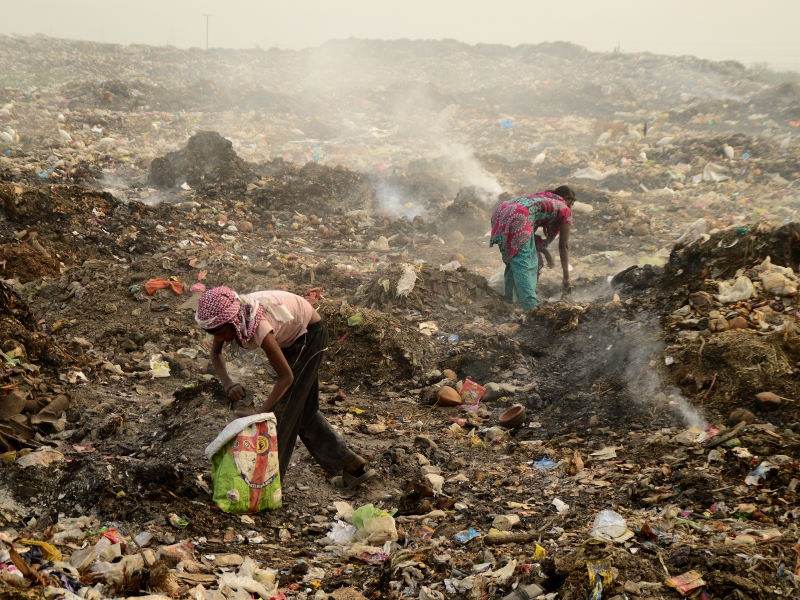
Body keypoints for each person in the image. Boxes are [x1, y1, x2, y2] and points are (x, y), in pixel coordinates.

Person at [196, 286, 376, 491]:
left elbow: (286, 377)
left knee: (282, 414)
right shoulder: (227, 318)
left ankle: (265, 485)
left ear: (233, 320)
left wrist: (261, 414)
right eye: (213, 334)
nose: (218, 338)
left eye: (220, 332)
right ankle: (350, 464)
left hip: (309, 336)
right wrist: (229, 384)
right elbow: (216, 353)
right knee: (303, 411)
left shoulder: (259, 326)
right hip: (292, 337)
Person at [490, 185, 576, 311]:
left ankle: (511, 301)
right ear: (567, 199)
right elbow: (564, 246)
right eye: (571, 203)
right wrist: (566, 278)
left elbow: (531, 237)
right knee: (526, 265)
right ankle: (531, 310)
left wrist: (546, 252)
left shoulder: (542, 197)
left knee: (514, 260)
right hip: (518, 216)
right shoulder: (564, 209)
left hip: (502, 210)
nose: (571, 207)